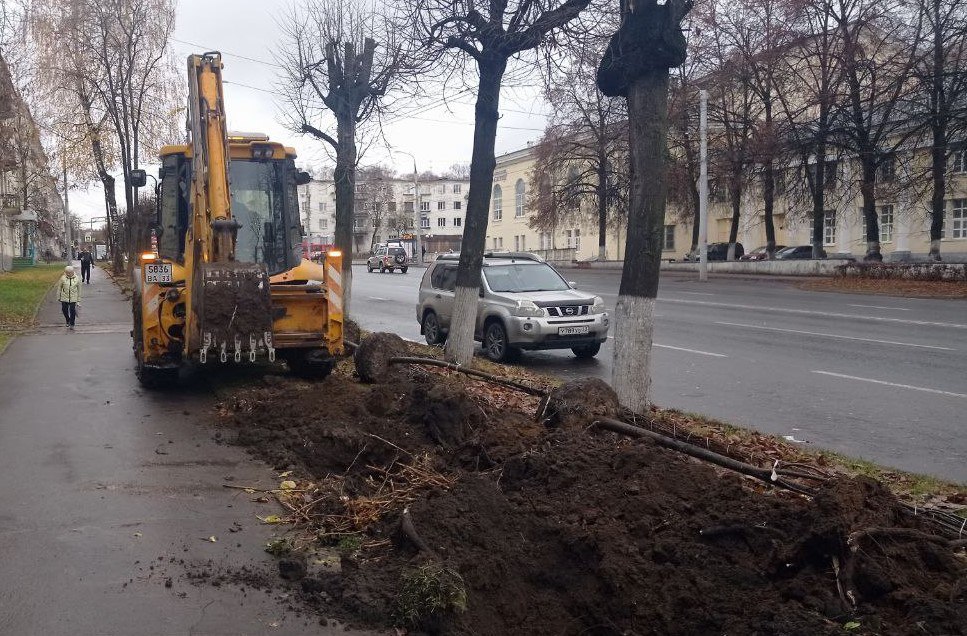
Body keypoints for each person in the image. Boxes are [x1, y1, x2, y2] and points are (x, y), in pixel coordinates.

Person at [57, 265, 81, 330]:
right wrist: (58, 296)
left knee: (72, 310)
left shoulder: (77, 278)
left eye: (70, 272)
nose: (68, 274)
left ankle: (72, 323)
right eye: (67, 272)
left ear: (73, 272)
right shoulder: (62, 278)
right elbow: (59, 288)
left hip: (73, 297)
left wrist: (78, 300)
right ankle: (68, 320)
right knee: (64, 310)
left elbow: (79, 290)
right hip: (64, 297)